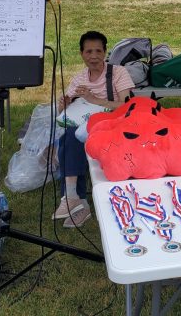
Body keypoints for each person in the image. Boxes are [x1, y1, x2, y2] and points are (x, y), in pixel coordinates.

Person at [54, 31, 134, 228]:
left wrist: (94, 100)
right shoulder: (80, 78)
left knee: (72, 138)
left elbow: (127, 106)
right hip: (87, 124)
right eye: (89, 51)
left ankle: (75, 199)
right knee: (70, 135)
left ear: (105, 52)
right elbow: (68, 111)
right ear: (81, 54)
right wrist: (63, 105)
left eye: (98, 51)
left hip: (114, 124)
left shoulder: (118, 72)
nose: (94, 56)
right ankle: (76, 200)